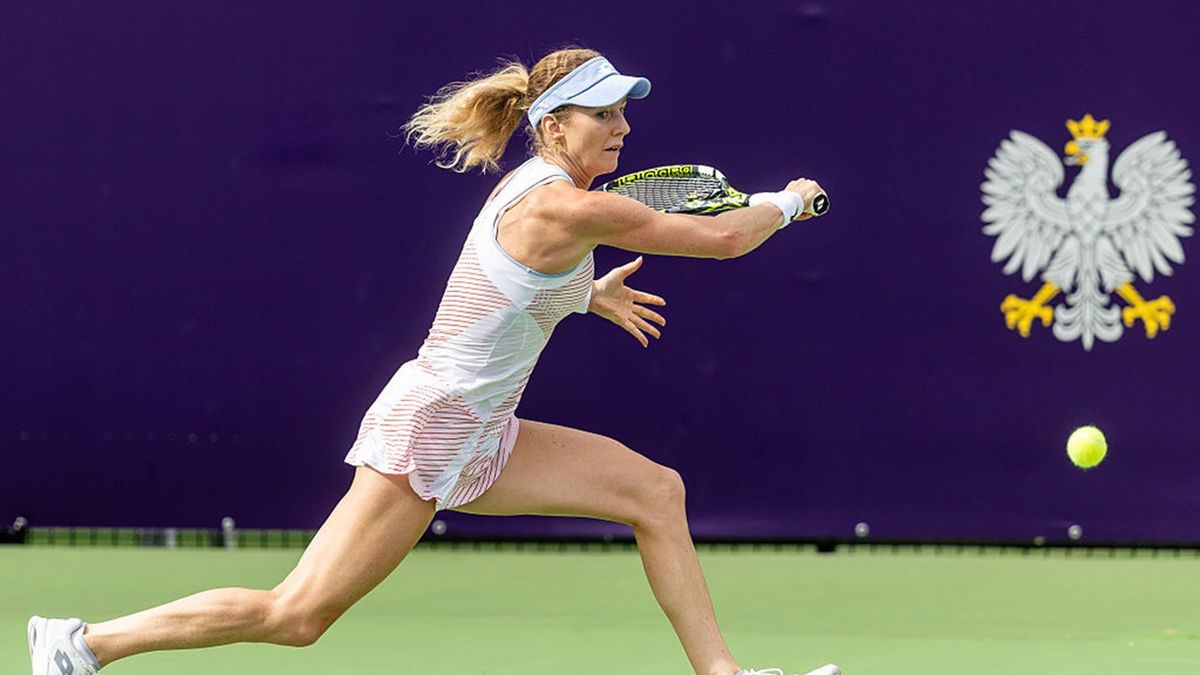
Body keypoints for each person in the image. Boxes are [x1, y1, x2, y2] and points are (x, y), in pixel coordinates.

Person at [28, 47, 835, 675]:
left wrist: (588, 296)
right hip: (434, 424)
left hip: (485, 427)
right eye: (602, 115)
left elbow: (508, 285)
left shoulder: (545, 193)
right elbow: (727, 237)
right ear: (554, 126)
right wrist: (789, 201)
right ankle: (85, 643)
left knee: (655, 491)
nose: (621, 128)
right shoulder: (562, 203)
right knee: (298, 614)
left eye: (624, 113)